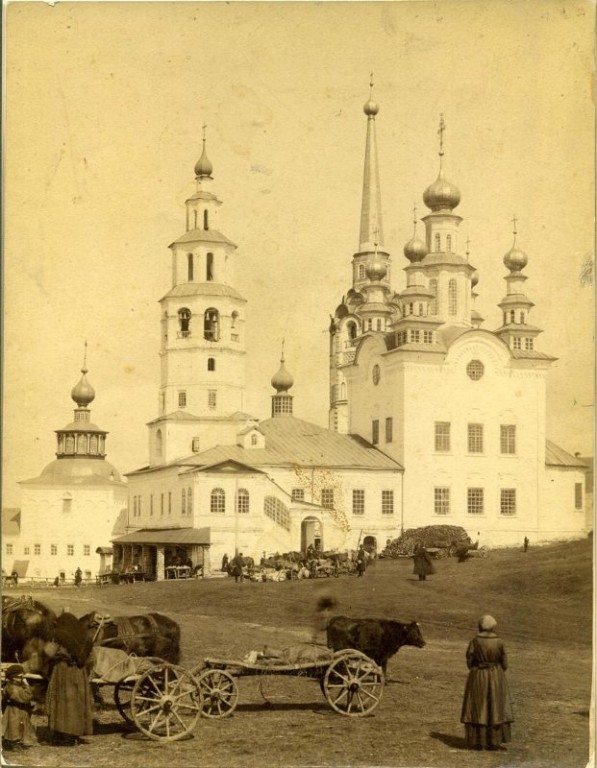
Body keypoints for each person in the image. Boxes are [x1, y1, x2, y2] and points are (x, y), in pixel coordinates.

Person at [460, 614, 514, 751]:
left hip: (478, 676)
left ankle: (479, 741)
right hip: (496, 676)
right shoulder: (499, 641)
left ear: (480, 626)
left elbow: (469, 660)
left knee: (479, 706)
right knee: (495, 707)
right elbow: (505, 663)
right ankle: (494, 741)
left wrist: (477, 668)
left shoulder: (475, 641)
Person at [44, 611, 94, 746]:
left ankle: (63, 736)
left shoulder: (59, 635)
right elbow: (91, 659)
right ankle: (74, 734)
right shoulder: (86, 637)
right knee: (76, 703)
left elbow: (49, 652)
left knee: (62, 704)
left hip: (63, 671)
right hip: (80, 673)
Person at [1, 664, 37, 751]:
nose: (22, 679)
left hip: (18, 710)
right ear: (14, 677)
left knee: (19, 726)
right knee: (14, 727)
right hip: (14, 711)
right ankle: (13, 744)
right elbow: (26, 697)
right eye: (21, 677)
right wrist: (26, 685)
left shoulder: (16, 686)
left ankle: (16, 742)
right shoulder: (13, 688)